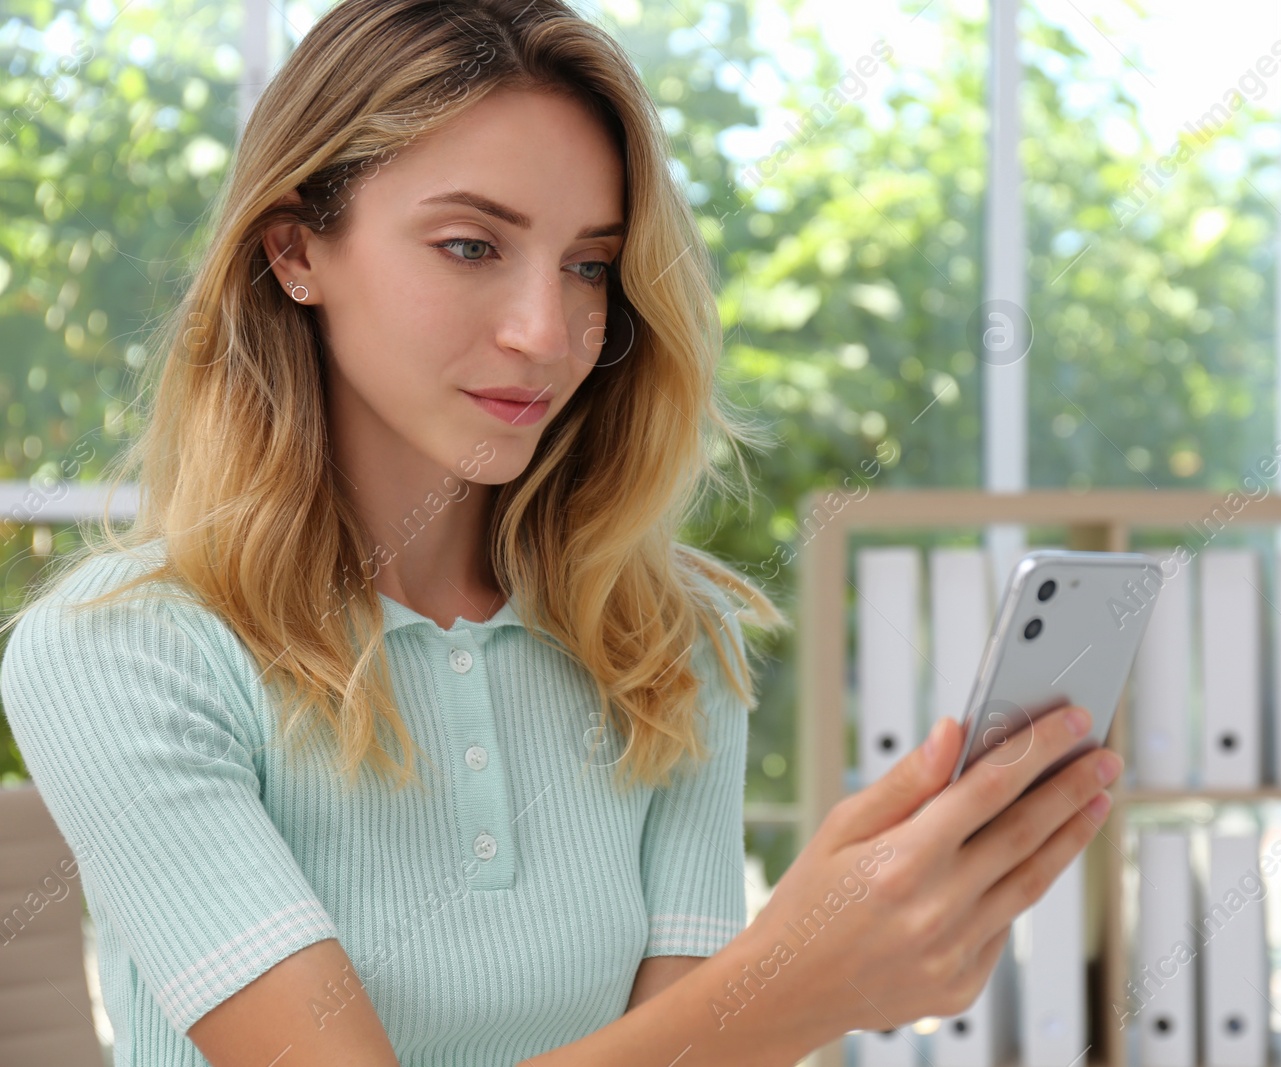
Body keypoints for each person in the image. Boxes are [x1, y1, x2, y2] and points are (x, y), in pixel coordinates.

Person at [0, 1, 1121, 1064]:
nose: (548, 332)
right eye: (471, 246)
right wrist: (793, 982)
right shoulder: (121, 652)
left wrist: (834, 960)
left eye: (590, 264)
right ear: (296, 252)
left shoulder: (664, 644)